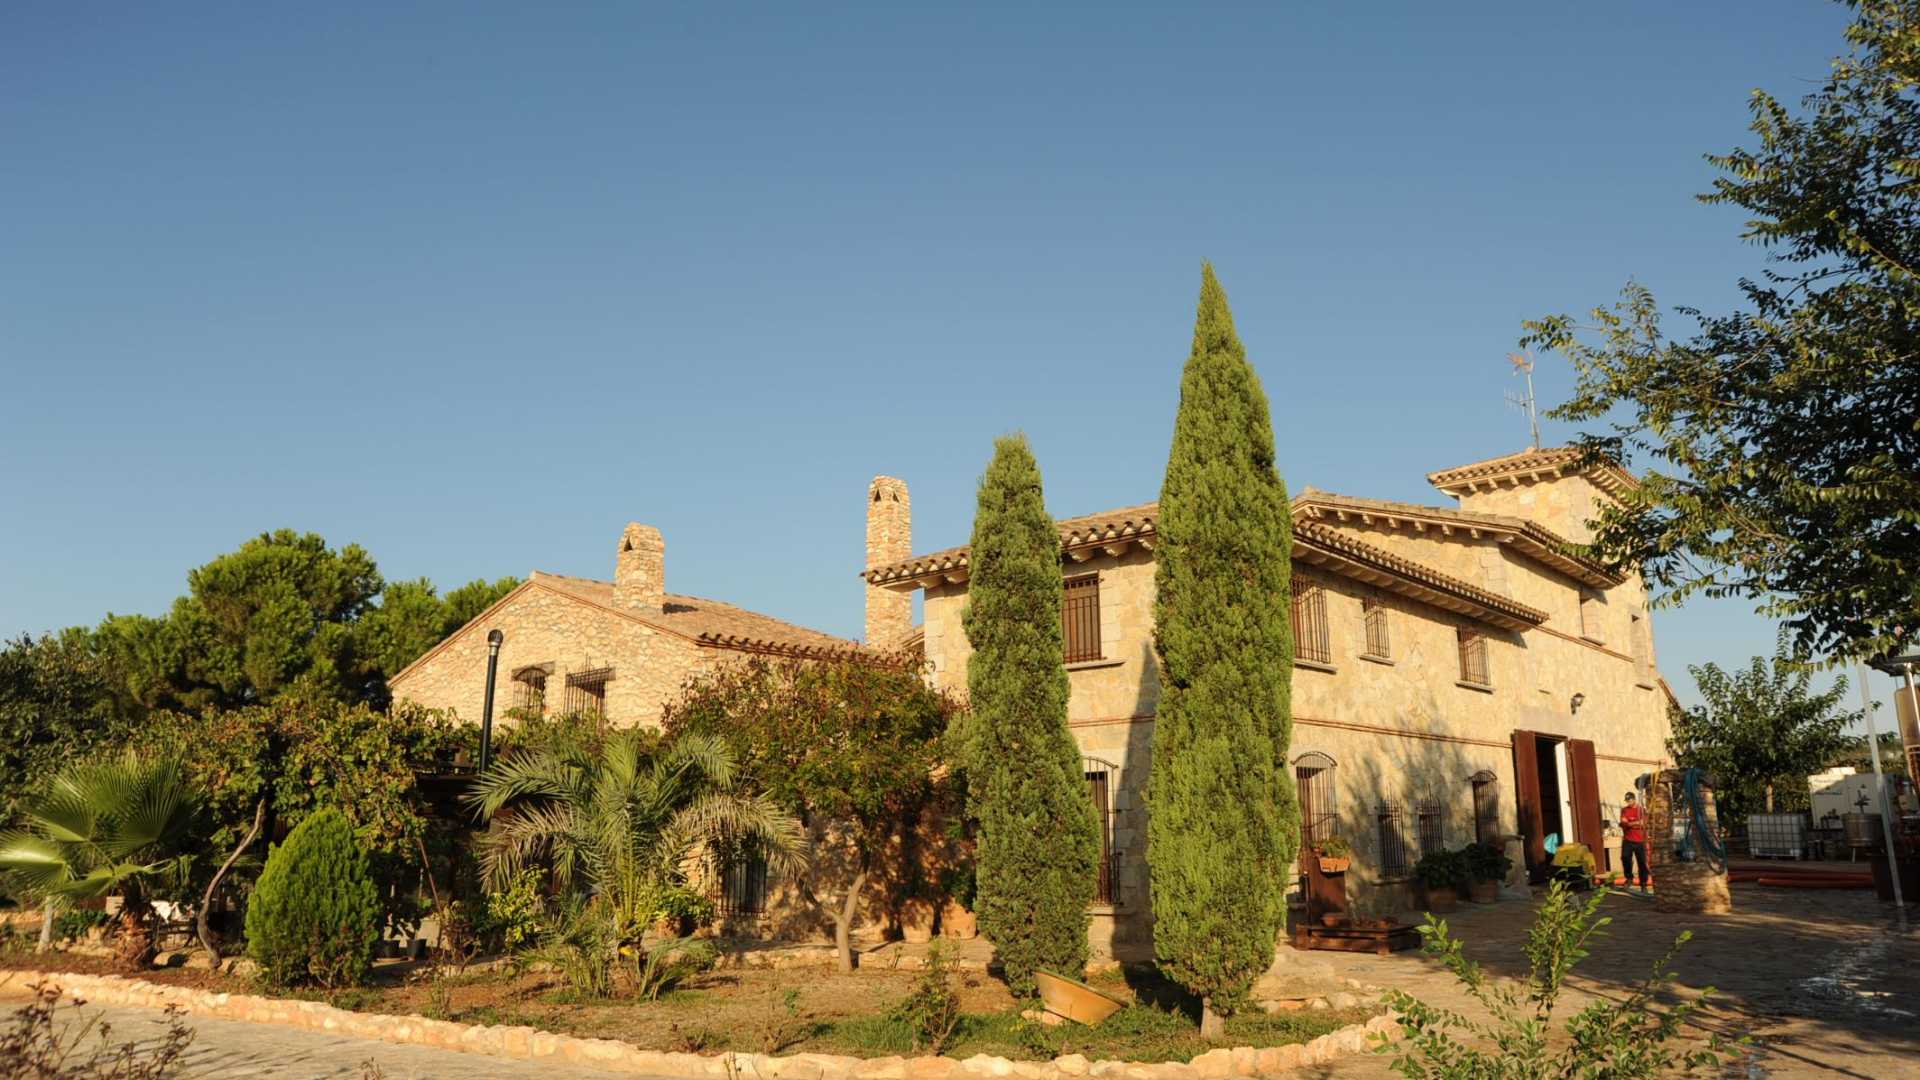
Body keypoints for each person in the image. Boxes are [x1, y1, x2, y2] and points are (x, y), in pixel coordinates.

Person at [1619, 790, 1651, 893]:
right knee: (1625, 857)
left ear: (1634, 799)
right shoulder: (1624, 810)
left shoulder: (1641, 810)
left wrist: (1630, 823)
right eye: (1627, 800)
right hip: (1628, 840)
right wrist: (1636, 823)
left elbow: (1643, 823)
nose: (1628, 802)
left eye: (1629, 800)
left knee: (1642, 863)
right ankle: (1629, 878)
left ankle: (1643, 884)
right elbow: (1624, 823)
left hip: (1640, 840)